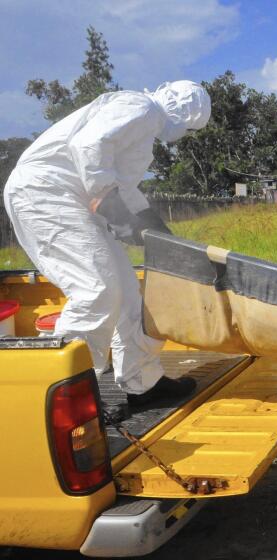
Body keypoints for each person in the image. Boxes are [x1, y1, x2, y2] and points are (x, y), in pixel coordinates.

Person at [4, 81, 211, 406]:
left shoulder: (142, 132)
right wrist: (105, 198)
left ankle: (143, 383)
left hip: (69, 197)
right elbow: (89, 145)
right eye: (189, 128)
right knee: (97, 290)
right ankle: (66, 393)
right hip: (45, 194)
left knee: (128, 295)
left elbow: (124, 188)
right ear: (184, 117)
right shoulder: (139, 108)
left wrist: (155, 230)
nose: (183, 133)